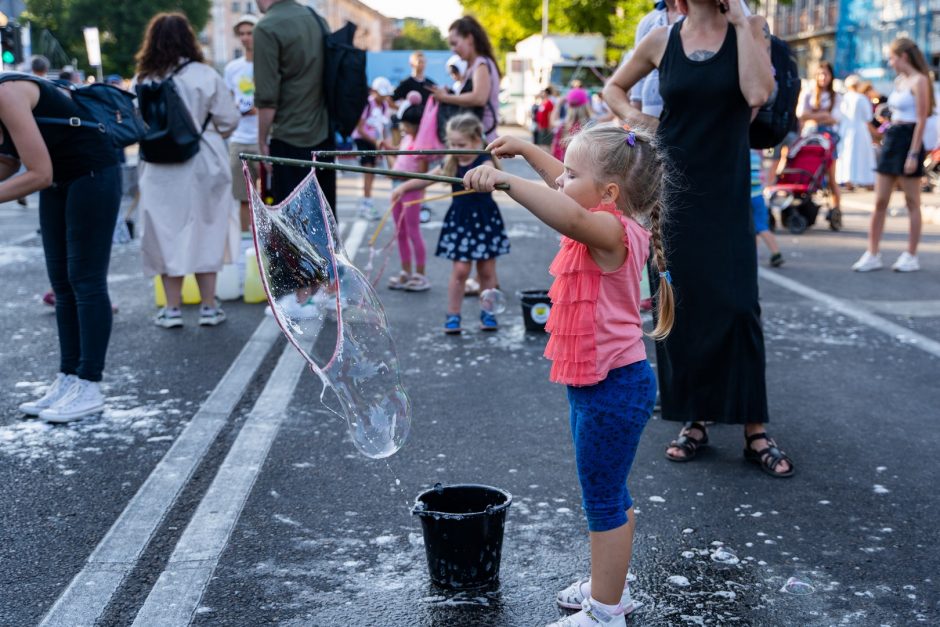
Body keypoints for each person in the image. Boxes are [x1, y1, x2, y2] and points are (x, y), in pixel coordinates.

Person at [463, 125, 674, 627]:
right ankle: (610, 588)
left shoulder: (611, 232)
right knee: (610, 494)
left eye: (573, 173)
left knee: (602, 500)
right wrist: (526, 151)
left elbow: (569, 209)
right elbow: (568, 189)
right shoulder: (605, 213)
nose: (562, 179)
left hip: (614, 388)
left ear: (609, 193)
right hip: (603, 385)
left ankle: (605, 611)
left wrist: (503, 181)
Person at [605, 0, 794, 477]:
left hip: (726, 189)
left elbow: (757, 92)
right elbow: (614, 87)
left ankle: (755, 429)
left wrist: (741, 24)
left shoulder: (749, 29)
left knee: (737, 304)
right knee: (680, 302)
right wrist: (637, 120)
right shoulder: (662, 39)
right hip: (672, 190)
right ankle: (693, 420)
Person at [0, 72, 121, 422]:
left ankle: (89, 384)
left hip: (92, 173)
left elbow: (39, 173)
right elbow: (9, 160)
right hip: (62, 180)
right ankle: (69, 377)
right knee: (62, 284)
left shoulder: (6, 93)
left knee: (86, 280)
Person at [134, 12, 240, 329]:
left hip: (158, 166)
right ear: (189, 39)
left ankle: (172, 309)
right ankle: (209, 306)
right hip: (203, 160)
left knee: (164, 232)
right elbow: (229, 121)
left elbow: (135, 122)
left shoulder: (144, 79)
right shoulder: (205, 76)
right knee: (207, 228)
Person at [391, 114, 509, 333]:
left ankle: (488, 312)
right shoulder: (451, 162)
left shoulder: (484, 161)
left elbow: (497, 177)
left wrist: (490, 177)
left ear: (476, 141)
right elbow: (427, 177)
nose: (456, 148)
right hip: (461, 222)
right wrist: (404, 187)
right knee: (461, 270)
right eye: (452, 144)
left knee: (486, 270)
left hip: (484, 221)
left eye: (461, 144)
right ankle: (453, 314)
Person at [852, 38, 933, 273]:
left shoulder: (920, 81)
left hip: (910, 139)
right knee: (879, 201)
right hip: (893, 136)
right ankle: (873, 253)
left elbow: (921, 120)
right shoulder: (900, 81)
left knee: (912, 202)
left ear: (903, 57)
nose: (890, 62)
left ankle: (911, 254)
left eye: (892, 57)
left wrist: (914, 153)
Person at [254, 0, 335, 212]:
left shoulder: (266, 27)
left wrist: (262, 140)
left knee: (292, 227)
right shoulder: (318, 20)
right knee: (324, 222)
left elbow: (267, 96)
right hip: (324, 136)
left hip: (290, 137)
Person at [430, 16, 502, 142]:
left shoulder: (481, 64)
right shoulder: (474, 66)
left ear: (469, 38)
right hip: (475, 136)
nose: (453, 49)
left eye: (455, 43)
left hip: (481, 138)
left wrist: (445, 98)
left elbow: (479, 98)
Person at [386, 99, 430, 292]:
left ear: (417, 125)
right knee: (400, 232)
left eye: (406, 124)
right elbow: (401, 155)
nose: (403, 127)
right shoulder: (407, 138)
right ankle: (406, 271)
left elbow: (421, 174)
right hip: (397, 187)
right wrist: (388, 150)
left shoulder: (422, 144)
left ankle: (420, 275)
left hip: (411, 190)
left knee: (413, 232)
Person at [224, 13, 260, 234]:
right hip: (239, 139)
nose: (246, 38)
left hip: (262, 139)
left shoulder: (268, 64)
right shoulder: (232, 68)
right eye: (242, 34)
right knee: (243, 197)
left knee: (268, 197)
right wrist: (235, 109)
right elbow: (226, 100)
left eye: (250, 33)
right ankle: (247, 242)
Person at [798, 61, 841, 216]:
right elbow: (801, 113)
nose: (822, 77)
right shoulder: (809, 92)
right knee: (806, 171)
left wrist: (814, 116)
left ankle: (836, 210)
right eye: (820, 74)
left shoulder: (835, 96)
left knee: (831, 176)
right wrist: (822, 115)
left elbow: (835, 118)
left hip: (828, 138)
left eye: (826, 74)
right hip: (810, 136)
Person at [630, 0, 681, 118]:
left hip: (684, 112)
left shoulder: (697, 18)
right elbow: (637, 79)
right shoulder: (648, 22)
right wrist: (635, 119)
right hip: (649, 112)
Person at [352, 77, 393, 220]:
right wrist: (375, 141)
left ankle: (367, 202)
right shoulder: (367, 104)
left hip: (375, 141)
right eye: (381, 93)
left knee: (372, 171)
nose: (383, 96)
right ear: (374, 91)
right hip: (363, 140)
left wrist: (383, 142)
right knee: (368, 171)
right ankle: (366, 204)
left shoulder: (384, 106)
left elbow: (383, 126)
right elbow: (360, 128)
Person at [836, 74, 877, 189]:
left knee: (847, 154)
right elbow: (867, 117)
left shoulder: (844, 98)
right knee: (863, 155)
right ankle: (866, 181)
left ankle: (848, 180)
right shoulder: (861, 98)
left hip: (845, 129)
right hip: (860, 130)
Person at [751, 149, 783, 266]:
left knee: (756, 227)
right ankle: (774, 252)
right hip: (758, 196)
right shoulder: (756, 155)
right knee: (760, 227)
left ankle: (771, 252)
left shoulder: (743, 154)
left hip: (747, 197)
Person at [552, 87, 592, 161]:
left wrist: (558, 104)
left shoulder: (563, 125)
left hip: (560, 166)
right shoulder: (590, 127)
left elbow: (553, 121)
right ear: (586, 105)